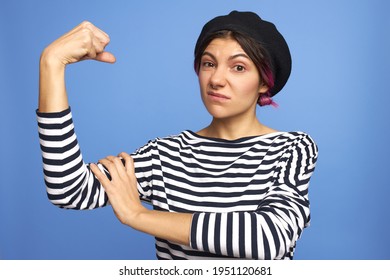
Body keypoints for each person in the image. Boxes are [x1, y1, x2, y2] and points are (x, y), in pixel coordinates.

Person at [37, 11, 318, 260]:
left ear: (263, 83)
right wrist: (52, 64)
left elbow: (270, 238)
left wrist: (139, 215)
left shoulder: (291, 148)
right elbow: (69, 190)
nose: (216, 79)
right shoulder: (164, 155)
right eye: (209, 63)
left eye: (239, 67)